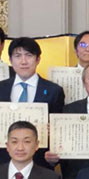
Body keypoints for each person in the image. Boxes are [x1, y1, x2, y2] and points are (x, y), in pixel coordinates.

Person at [0, 37, 65, 167]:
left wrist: (53, 130)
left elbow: (59, 130)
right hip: (3, 162)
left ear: (38, 59)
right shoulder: (1, 88)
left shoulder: (54, 91)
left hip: (39, 162)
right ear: (10, 60)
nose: (23, 61)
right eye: (18, 56)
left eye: (29, 55)